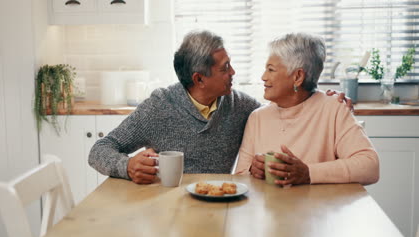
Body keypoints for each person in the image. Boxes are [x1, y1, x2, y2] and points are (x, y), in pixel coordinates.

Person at [89, 30, 351, 185]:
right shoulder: (159, 107)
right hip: (165, 209)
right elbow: (99, 150)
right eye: (225, 68)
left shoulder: (242, 106)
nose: (233, 72)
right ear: (199, 79)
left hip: (221, 207)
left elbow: (284, 110)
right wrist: (127, 166)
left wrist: (319, 97)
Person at [234, 33, 379, 185]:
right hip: (269, 207)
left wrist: (309, 173)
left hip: (320, 207)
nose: (263, 77)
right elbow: (240, 177)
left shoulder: (334, 109)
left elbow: (370, 167)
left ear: (297, 77)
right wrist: (253, 170)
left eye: (271, 70)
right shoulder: (257, 117)